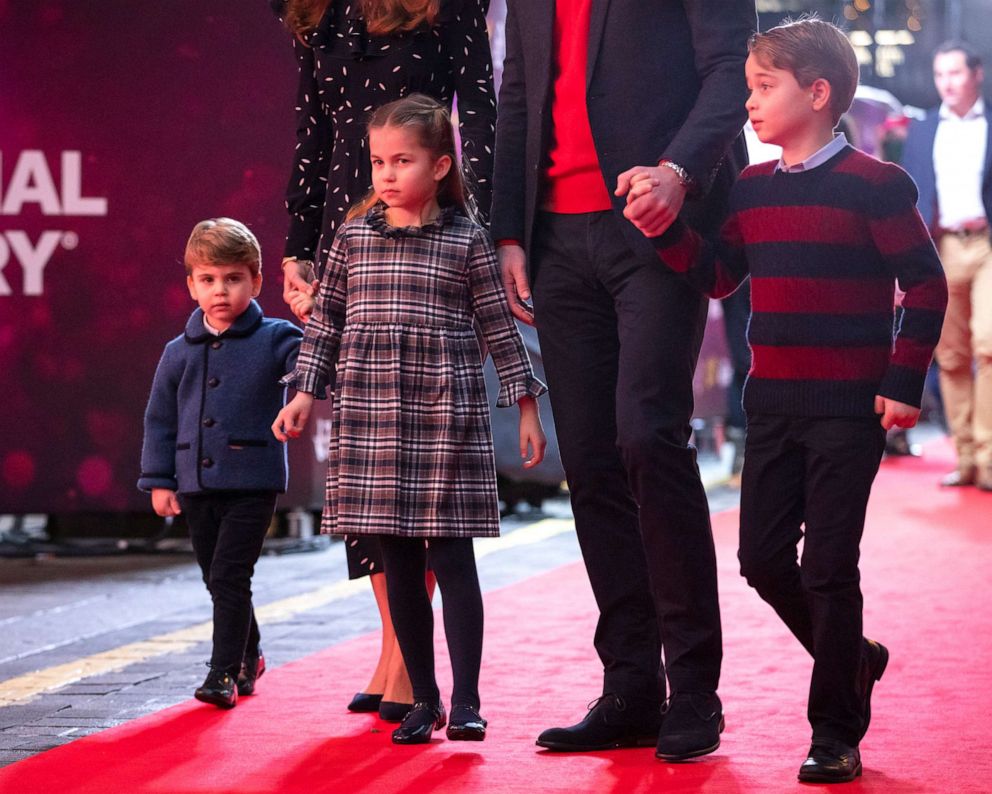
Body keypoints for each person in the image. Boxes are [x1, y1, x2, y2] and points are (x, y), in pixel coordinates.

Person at [649, 18, 947, 782]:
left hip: (850, 412)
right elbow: (720, 277)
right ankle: (857, 656)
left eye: (762, 86)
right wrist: (664, 229)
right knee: (760, 560)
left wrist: (901, 383)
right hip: (773, 407)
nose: (748, 102)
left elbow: (925, 282)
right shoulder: (749, 189)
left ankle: (834, 733)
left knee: (828, 569)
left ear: (817, 94)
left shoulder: (879, 185)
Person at [491, 0, 754, 761]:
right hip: (554, 236)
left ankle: (696, 689)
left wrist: (680, 171)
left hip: (654, 217)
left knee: (647, 436)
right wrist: (510, 229)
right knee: (593, 460)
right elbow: (519, 88)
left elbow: (729, 69)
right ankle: (632, 687)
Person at [273, 95, 546, 744]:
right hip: (371, 418)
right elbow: (326, 324)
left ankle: (469, 699)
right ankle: (423, 700)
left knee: (453, 562)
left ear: (441, 164)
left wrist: (527, 405)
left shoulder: (467, 241)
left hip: (445, 419)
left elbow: (499, 329)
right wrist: (305, 394)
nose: (387, 174)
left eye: (403, 160)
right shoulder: (352, 239)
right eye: (377, 162)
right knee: (395, 564)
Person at [138, 219, 302, 709]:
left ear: (255, 281)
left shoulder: (278, 338)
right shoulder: (176, 352)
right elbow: (160, 419)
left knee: (231, 575)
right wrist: (158, 479)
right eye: (207, 279)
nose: (220, 290)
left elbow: (316, 367)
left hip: (252, 479)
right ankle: (250, 653)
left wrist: (314, 317)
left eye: (232, 279)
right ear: (191, 285)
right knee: (216, 576)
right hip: (194, 482)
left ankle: (222, 672)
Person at [902, 41, 992, 491]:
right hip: (942, 249)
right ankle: (968, 457)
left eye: (955, 73)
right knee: (951, 356)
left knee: (990, 345)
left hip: (988, 244)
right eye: (940, 75)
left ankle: (990, 456)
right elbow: (910, 201)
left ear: (977, 74)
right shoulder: (921, 131)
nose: (947, 83)